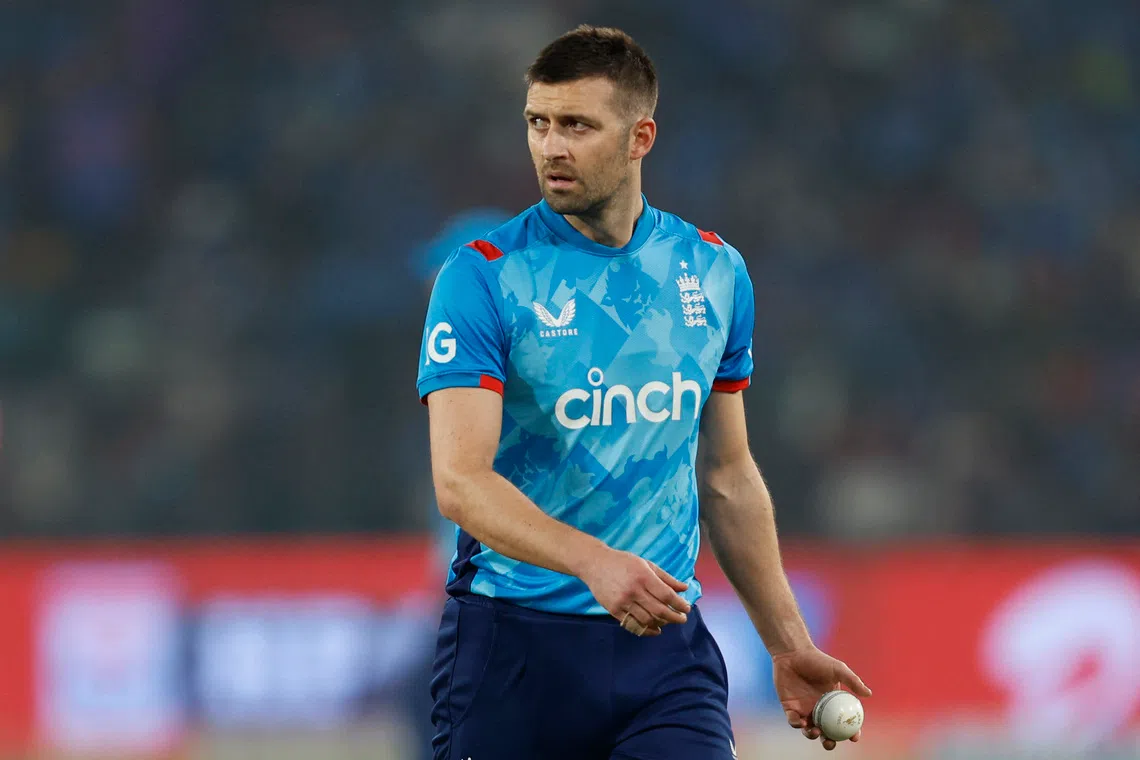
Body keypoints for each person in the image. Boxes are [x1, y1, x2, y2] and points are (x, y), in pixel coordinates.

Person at [416, 25, 871, 760]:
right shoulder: (483, 277)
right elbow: (462, 482)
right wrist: (596, 562)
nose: (551, 147)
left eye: (577, 126)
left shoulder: (714, 270)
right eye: (539, 123)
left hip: (664, 655)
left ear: (640, 137)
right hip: (513, 652)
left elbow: (727, 475)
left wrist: (789, 645)